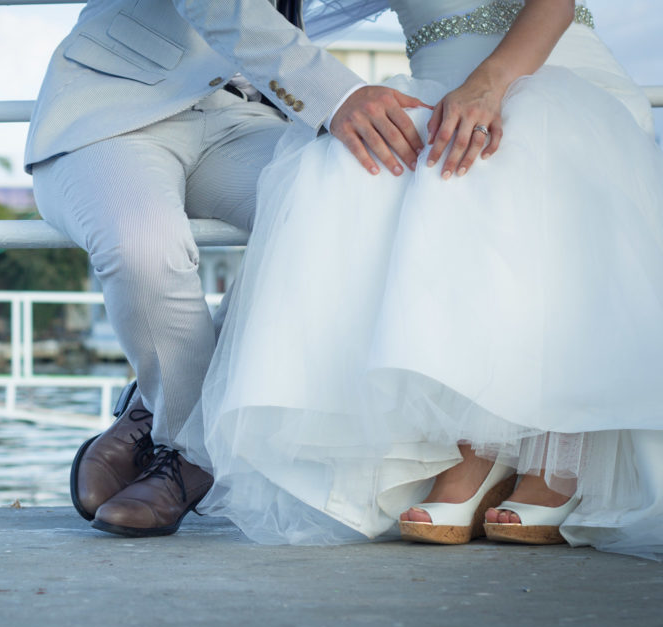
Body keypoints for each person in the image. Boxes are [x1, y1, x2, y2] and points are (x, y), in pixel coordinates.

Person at [190, 0, 663, 559]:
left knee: (524, 141)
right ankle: (472, 451)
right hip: (433, 86)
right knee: (358, 165)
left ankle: (550, 456)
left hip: (555, 71)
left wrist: (491, 84)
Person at [25, 0, 428, 536]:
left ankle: (161, 409)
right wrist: (342, 93)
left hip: (250, 115)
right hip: (115, 104)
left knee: (345, 207)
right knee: (144, 245)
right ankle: (194, 454)